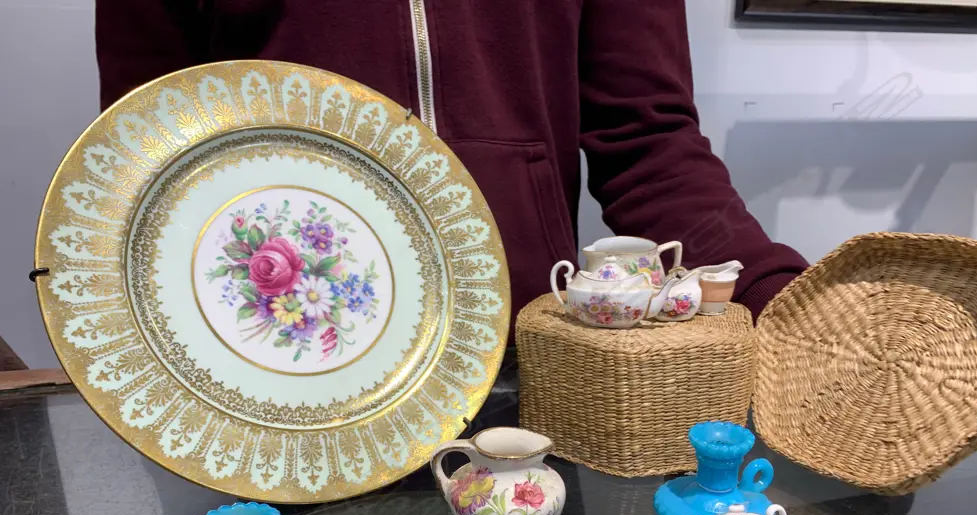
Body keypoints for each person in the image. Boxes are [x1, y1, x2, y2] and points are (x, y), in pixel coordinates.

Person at [96, 0, 807, 322]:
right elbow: (153, 151)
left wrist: (785, 302)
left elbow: (649, 140)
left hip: (527, 357)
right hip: (277, 363)